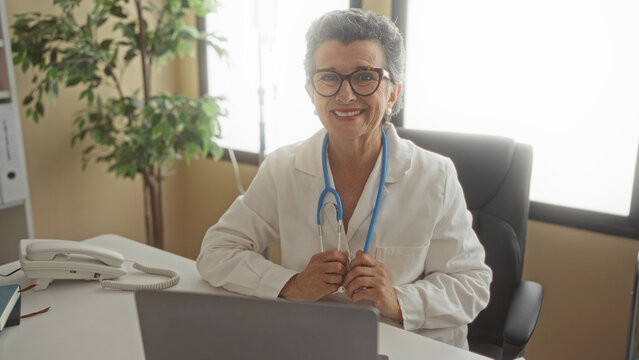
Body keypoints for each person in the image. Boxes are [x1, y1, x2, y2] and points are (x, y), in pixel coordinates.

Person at [197, 9, 492, 349]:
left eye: (365, 76)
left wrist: (397, 300)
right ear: (311, 91)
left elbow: (472, 284)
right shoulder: (284, 167)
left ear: (393, 92)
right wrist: (292, 285)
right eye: (329, 77)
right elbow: (216, 253)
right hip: (312, 341)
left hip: (405, 345)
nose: (346, 95)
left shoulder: (435, 176)